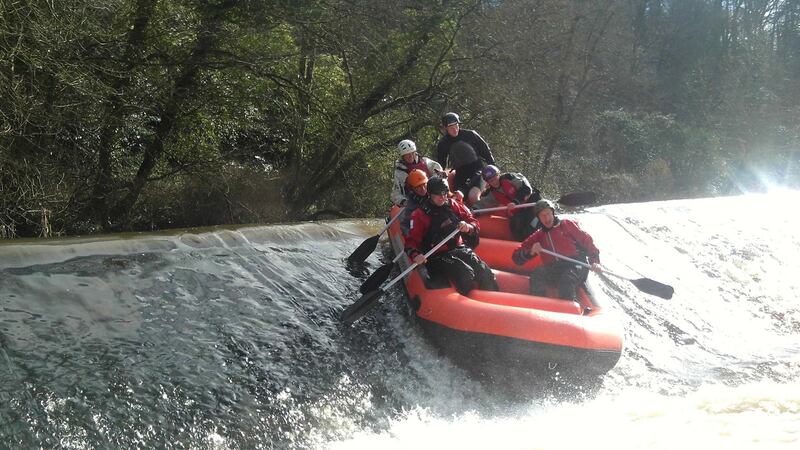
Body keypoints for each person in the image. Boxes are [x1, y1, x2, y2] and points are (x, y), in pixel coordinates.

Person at [405, 177, 499, 295]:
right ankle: (465, 305)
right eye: (438, 195)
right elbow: (411, 242)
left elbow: (473, 221)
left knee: (484, 271)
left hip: (458, 248)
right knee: (465, 273)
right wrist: (415, 255)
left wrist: (468, 227)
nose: (442, 197)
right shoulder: (419, 215)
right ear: (430, 194)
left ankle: (491, 299)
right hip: (436, 255)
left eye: (444, 194)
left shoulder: (454, 205)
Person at [512, 199, 601, 301]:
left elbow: (588, 243)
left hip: (577, 265)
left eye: (548, 214)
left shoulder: (567, 225)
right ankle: (538, 304)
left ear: (553, 213)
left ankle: (570, 308)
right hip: (556, 268)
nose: (547, 218)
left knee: (567, 279)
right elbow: (516, 257)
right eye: (542, 215)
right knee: (537, 273)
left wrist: (595, 262)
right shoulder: (538, 235)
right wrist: (530, 252)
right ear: (538, 218)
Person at [435, 112, 496, 205]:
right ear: (446, 129)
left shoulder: (471, 134)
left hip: (478, 170)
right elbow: (441, 164)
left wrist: (493, 169)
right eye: (451, 127)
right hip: (460, 174)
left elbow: (486, 151)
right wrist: (442, 174)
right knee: (459, 197)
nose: (454, 129)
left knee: (473, 196)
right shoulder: (443, 143)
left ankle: (482, 208)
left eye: (456, 126)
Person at [472, 164, 543, 241]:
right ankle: (524, 244)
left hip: (533, 203)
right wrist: (474, 210)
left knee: (533, 222)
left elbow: (526, 189)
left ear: (498, 174)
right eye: (490, 181)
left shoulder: (510, 177)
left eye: (494, 178)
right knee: (515, 223)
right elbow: (483, 204)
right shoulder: (493, 193)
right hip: (521, 210)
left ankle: (540, 238)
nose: (493, 182)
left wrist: (516, 202)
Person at [391, 139, 443, 206]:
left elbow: (439, 171)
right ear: (403, 156)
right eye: (407, 155)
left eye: (412, 153)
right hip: (414, 202)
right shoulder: (399, 172)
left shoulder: (425, 162)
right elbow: (395, 194)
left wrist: (441, 178)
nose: (410, 156)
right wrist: (405, 202)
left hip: (432, 196)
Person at [399, 169, 429, 235]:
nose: (423, 189)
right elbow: (406, 226)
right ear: (412, 188)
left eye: (424, 184)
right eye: (418, 186)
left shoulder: (434, 192)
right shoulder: (411, 206)